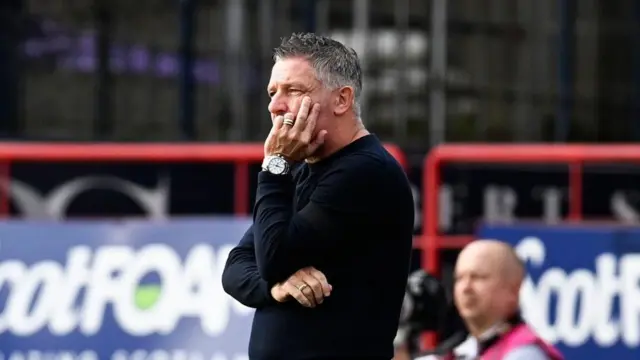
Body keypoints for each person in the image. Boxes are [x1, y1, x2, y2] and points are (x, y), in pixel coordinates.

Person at [221, 32, 415, 360]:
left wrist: (275, 164)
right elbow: (236, 266)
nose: (275, 105)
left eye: (293, 91)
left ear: (342, 99)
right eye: (272, 93)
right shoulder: (300, 168)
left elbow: (272, 256)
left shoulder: (365, 171)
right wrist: (276, 288)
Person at [428, 240, 563, 360]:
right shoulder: (456, 352)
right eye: (459, 278)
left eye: (478, 277)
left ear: (513, 289)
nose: (466, 288)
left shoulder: (525, 353)